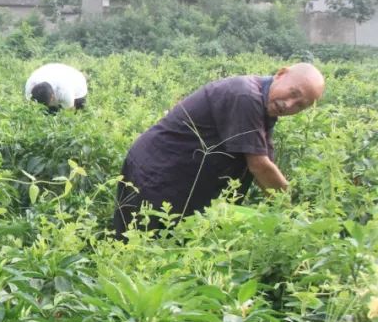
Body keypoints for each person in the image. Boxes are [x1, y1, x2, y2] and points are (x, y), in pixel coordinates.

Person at [113, 63, 325, 237]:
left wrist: (287, 211)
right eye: (293, 93)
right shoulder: (245, 96)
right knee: (139, 242)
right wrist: (295, 214)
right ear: (281, 74)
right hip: (156, 175)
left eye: (300, 105)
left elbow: (266, 168)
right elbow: (259, 166)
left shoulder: (263, 105)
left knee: (171, 247)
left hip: (177, 179)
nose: (289, 104)